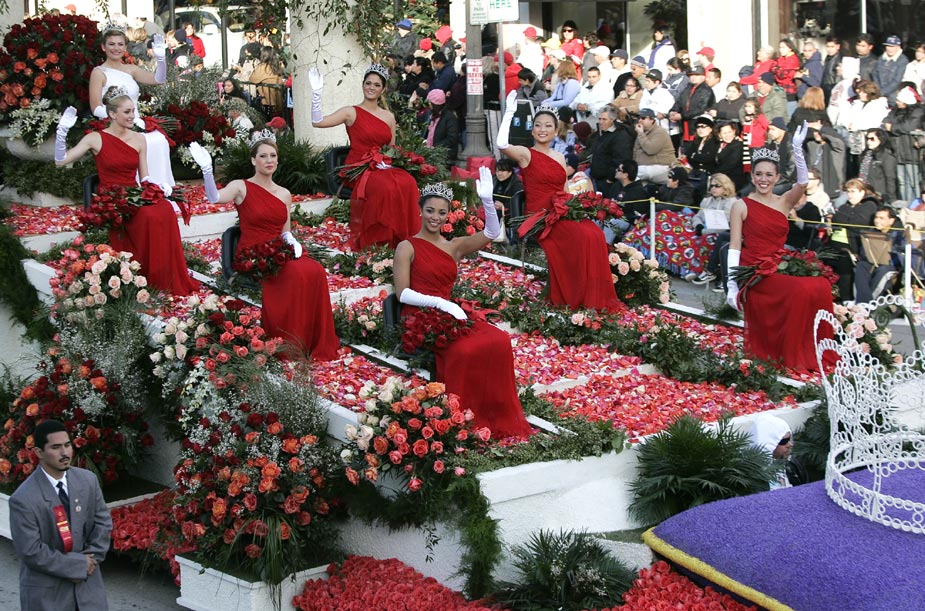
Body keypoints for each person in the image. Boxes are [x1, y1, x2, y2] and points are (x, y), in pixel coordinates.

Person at [393, 176, 532, 439]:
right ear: (420, 210)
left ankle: (492, 413)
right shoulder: (406, 246)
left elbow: (491, 234)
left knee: (500, 339)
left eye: (441, 212)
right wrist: (439, 303)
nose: (435, 217)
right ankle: (460, 419)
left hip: (451, 314)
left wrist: (488, 202)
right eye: (430, 210)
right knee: (465, 351)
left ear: (448, 215)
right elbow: (403, 293)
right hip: (421, 316)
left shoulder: (453, 246)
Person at [191, 134, 339, 360]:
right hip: (254, 253)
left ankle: (309, 339)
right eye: (263, 156)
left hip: (278, 250)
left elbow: (285, 231)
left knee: (315, 270)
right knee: (294, 274)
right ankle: (287, 342)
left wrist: (293, 243)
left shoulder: (284, 193)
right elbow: (214, 198)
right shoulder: (241, 186)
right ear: (253, 160)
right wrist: (207, 171)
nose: (269, 160)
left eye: (273, 156)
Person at [55, 91, 198, 296]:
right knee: (149, 216)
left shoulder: (139, 138)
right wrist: (61, 132)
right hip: (112, 199)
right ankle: (144, 274)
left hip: (134, 193)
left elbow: (144, 177)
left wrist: (159, 190)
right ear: (112, 114)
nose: (132, 116)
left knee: (165, 208)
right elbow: (60, 161)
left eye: (133, 111)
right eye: (127, 112)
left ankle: (165, 276)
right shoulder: (95, 138)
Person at [726, 123, 836, 372]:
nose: (763, 179)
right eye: (759, 174)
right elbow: (734, 246)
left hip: (778, 264)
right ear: (752, 177)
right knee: (800, 289)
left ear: (777, 178)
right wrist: (732, 286)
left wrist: (797, 149)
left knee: (820, 285)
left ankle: (811, 349)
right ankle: (789, 353)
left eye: (769, 175)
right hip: (754, 271)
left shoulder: (785, 202)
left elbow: (803, 182)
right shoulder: (741, 205)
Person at [498, 94, 622, 311]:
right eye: (538, 125)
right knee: (581, 236)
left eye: (548, 126)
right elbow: (501, 144)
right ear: (532, 130)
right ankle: (572, 297)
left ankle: (590, 296)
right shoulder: (526, 154)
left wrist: (578, 209)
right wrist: (509, 112)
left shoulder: (559, 156)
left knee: (594, 233)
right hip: (540, 216)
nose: (542, 129)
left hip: (561, 211)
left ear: (556, 130)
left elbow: (564, 190)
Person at [309, 64, 421, 249]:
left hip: (382, 166)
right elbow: (318, 122)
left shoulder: (388, 116)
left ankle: (402, 238)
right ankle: (377, 240)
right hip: (359, 167)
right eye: (368, 83)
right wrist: (316, 93)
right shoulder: (350, 112)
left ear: (383, 89)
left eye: (376, 85)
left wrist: (395, 161)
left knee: (408, 182)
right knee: (385, 187)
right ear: (362, 85)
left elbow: (391, 149)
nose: (371, 87)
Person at [9, 420, 113, 611]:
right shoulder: (23, 499)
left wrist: (90, 561)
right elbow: (31, 550)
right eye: (56, 447)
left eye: (67, 445)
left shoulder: (88, 481)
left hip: (89, 590)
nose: (65, 453)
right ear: (39, 452)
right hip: (48, 596)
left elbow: (103, 524)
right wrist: (76, 566)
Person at [89, 27, 176, 196]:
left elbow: (159, 79)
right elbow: (96, 107)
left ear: (125, 47)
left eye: (120, 44)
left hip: (136, 122)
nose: (116, 48)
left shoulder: (131, 69)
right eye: (111, 44)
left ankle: (159, 192)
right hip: (115, 125)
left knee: (159, 140)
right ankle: (136, 193)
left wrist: (161, 59)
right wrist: (118, 119)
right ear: (103, 47)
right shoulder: (99, 72)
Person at [829, 179, 880, 302]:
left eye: (853, 191)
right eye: (848, 191)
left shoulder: (869, 205)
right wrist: (844, 218)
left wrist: (841, 218)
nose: (849, 195)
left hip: (855, 246)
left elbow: (858, 223)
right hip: (835, 243)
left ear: (862, 192)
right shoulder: (845, 206)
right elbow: (836, 219)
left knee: (844, 260)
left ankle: (845, 298)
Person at [689, 173, 739, 287]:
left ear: (725, 187)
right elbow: (697, 216)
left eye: (717, 186)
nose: (713, 188)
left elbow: (724, 225)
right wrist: (698, 225)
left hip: (720, 232)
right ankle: (691, 269)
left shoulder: (731, 202)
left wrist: (703, 231)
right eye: (711, 186)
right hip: (705, 229)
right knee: (685, 237)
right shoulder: (707, 201)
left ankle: (709, 271)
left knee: (705, 240)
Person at [854, 206, 904, 302]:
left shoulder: (899, 234)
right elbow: (864, 251)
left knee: (882, 271)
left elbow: (902, 253)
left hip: (890, 265)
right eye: (876, 217)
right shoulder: (870, 232)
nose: (877, 221)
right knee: (861, 265)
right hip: (872, 262)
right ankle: (862, 302)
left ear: (891, 221)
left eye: (881, 218)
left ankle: (868, 302)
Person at [883, 86, 924, 202]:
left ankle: (915, 203)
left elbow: (908, 126)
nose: (896, 102)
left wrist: (893, 128)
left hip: (911, 151)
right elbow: (887, 121)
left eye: (899, 100)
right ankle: (904, 203)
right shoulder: (895, 111)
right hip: (898, 150)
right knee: (902, 181)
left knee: (913, 181)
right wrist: (893, 127)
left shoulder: (917, 112)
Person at [747, 414, 807, 490]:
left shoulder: (792, 465)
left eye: (789, 439)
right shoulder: (751, 477)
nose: (790, 444)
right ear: (768, 444)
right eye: (784, 441)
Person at [587, 105, 634, 194]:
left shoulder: (620, 136)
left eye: (604, 119)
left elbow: (621, 159)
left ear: (612, 119)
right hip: (597, 179)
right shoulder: (602, 133)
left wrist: (610, 178)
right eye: (599, 119)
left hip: (608, 183)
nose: (601, 122)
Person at [670, 65, 714, 144]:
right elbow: (679, 101)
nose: (693, 77)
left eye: (696, 75)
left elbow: (701, 109)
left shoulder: (706, 90)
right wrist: (673, 111)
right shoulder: (688, 88)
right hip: (685, 125)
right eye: (691, 75)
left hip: (697, 125)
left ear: (703, 77)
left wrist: (682, 116)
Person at [633, 107, 675, 184]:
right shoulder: (641, 132)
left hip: (661, 167)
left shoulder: (660, 132)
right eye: (639, 118)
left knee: (630, 174)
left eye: (643, 118)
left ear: (652, 120)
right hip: (645, 168)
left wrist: (641, 134)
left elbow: (651, 150)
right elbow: (635, 152)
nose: (640, 120)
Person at [858, 128, 898, 204]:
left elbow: (890, 178)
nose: (868, 142)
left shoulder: (886, 156)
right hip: (865, 191)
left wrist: (891, 198)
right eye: (867, 139)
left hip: (879, 195)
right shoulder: (866, 155)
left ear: (880, 139)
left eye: (872, 139)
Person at [872, 35, 910, 106]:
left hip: (893, 97)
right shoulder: (881, 58)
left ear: (898, 47)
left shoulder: (902, 60)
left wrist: (882, 92)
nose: (890, 49)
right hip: (878, 94)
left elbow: (897, 80)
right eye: (888, 46)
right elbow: (875, 74)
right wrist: (877, 90)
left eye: (892, 46)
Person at [423, 88, 458, 164]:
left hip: (443, 155)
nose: (428, 105)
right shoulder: (431, 115)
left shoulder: (449, 118)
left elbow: (452, 139)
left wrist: (434, 147)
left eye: (430, 103)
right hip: (430, 152)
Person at [714, 121, 747, 191]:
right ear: (719, 135)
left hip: (732, 180)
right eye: (724, 133)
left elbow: (730, 164)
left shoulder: (738, 145)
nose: (727, 135)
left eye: (729, 132)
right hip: (719, 178)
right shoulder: (718, 145)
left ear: (734, 132)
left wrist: (714, 174)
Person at [251, 46, 285, 114]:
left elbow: (252, 79)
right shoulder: (277, 66)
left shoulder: (263, 67)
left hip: (267, 101)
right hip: (278, 101)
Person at [774, 39, 801, 116]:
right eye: (780, 47)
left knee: (788, 115)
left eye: (783, 47)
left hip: (789, 91)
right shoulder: (781, 58)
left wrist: (777, 70)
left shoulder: (793, 59)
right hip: (780, 89)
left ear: (790, 48)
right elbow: (773, 67)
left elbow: (781, 75)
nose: (780, 50)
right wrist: (777, 70)